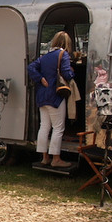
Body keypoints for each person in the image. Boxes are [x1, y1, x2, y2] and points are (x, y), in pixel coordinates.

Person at [27, 31, 75, 168]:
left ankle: (44, 158)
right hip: (55, 96)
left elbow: (30, 67)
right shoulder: (63, 54)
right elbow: (66, 73)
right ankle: (56, 159)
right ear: (67, 43)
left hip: (42, 95)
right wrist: (72, 71)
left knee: (44, 127)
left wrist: (40, 79)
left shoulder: (45, 56)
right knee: (58, 128)